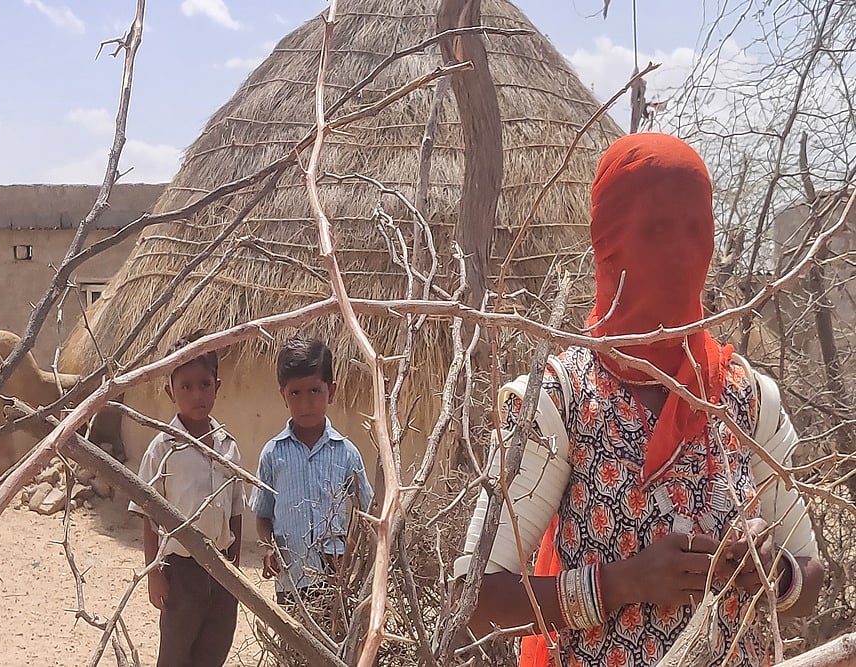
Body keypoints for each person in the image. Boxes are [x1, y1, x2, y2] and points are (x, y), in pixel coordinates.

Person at [456, 133, 825, 667]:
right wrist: (622, 583)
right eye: (656, 230)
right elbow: (475, 598)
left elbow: (810, 579)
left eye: (696, 230)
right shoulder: (558, 403)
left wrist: (772, 569)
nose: (680, 253)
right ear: (610, 242)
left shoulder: (746, 398)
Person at [128, 333, 244, 667]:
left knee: (215, 647)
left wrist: (234, 566)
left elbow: (236, 508)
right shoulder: (161, 449)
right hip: (180, 571)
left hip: (222, 570)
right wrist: (153, 573)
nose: (197, 395)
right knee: (177, 653)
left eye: (205, 384)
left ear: (217, 387)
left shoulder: (228, 447)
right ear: (170, 391)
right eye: (187, 386)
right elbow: (148, 514)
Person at [250, 336, 374, 604]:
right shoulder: (273, 454)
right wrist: (269, 548)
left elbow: (367, 511)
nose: (305, 403)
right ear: (283, 395)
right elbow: (262, 514)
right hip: (290, 580)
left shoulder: (346, 452)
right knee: (291, 644)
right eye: (295, 393)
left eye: (315, 391)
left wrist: (348, 554)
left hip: (335, 582)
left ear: (332, 391)